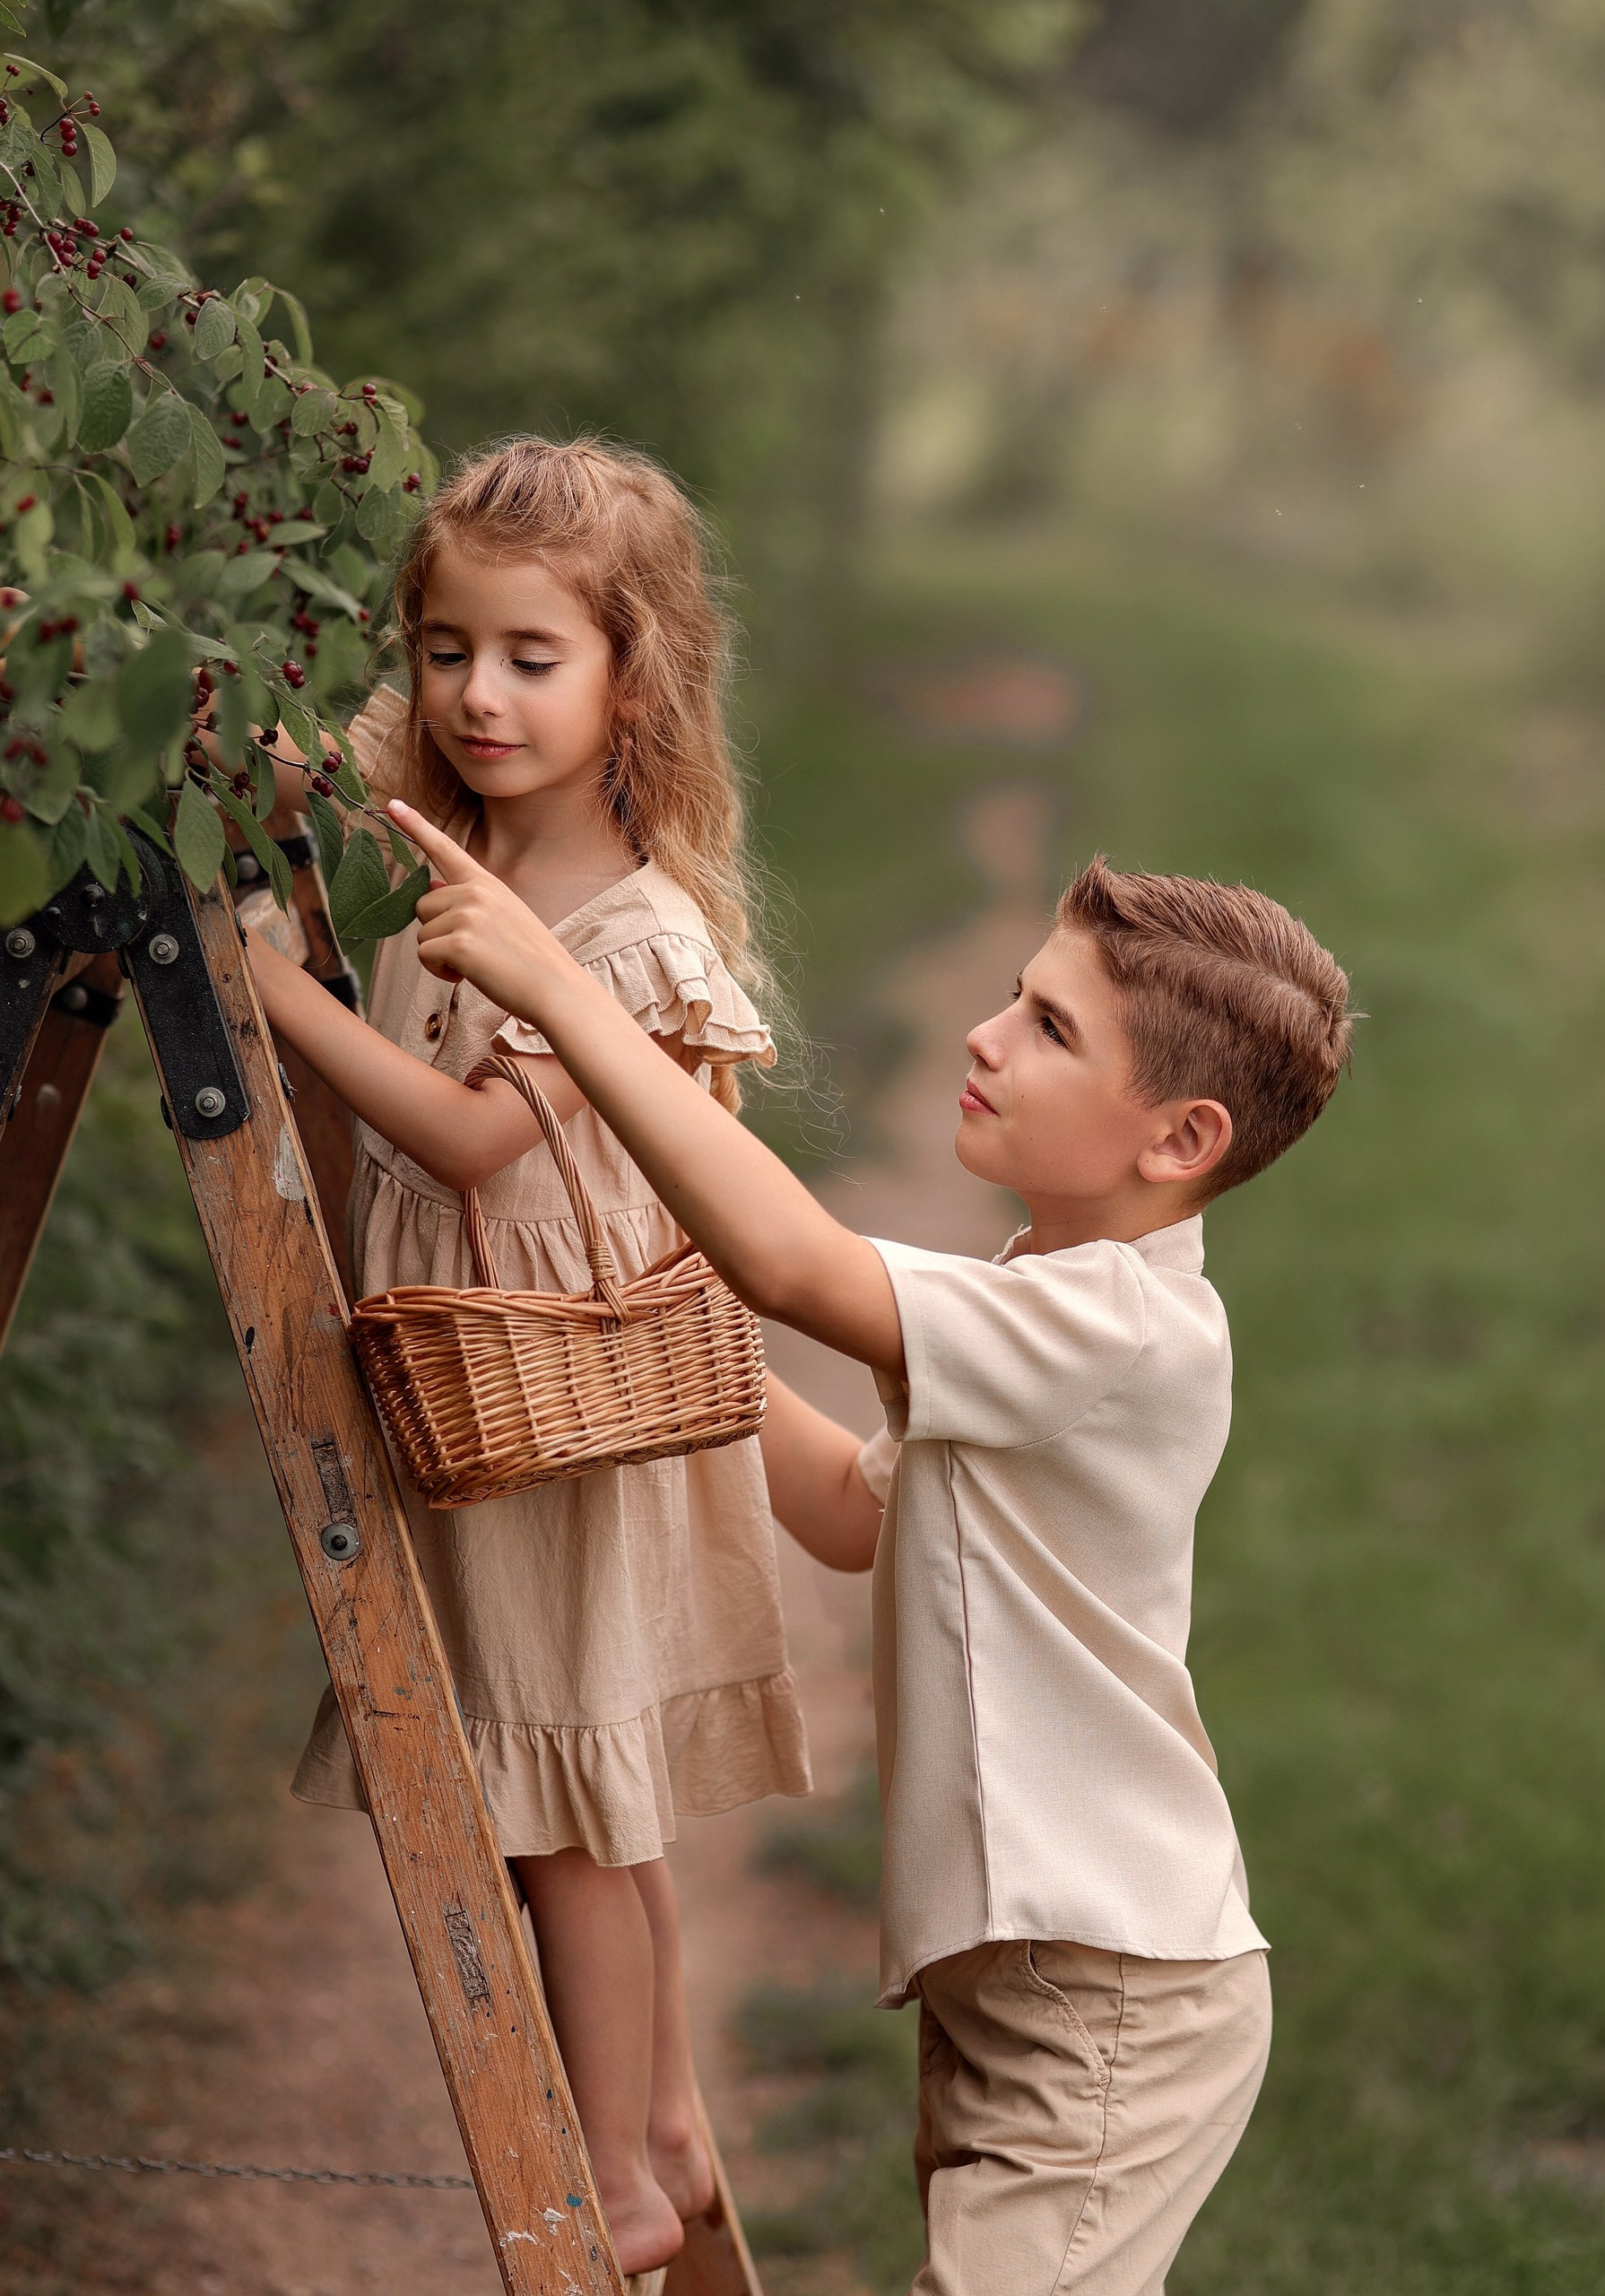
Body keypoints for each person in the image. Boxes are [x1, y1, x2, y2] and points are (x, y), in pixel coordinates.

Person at [383, 810, 1355, 2296]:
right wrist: (683, 1344)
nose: (983, 1034)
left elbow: (799, 1266)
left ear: (1179, 1139)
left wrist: (567, 998)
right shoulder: (1051, 1297)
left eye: (1045, 1027)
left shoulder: (1123, 1329)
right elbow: (852, 1511)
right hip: (1024, 1976)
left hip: (1109, 1995)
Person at [246, 436, 828, 2281]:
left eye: (529, 656)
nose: (475, 695)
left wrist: (262, 985)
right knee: (588, 1795)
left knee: (557, 1809)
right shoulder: (455, 841)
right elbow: (278, 757)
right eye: (442, 650)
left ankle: (616, 2174)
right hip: (476, 1392)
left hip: (552, 1404)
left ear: (632, 674)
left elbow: (473, 1140)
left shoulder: (632, 936)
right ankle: (654, 2119)